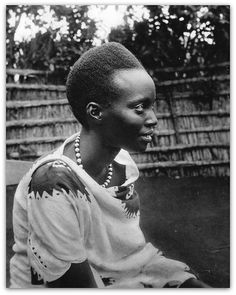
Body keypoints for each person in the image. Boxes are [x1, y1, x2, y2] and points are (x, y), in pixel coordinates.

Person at [9, 42, 210, 288]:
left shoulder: (122, 162)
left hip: (122, 277)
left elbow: (129, 255)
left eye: (152, 106)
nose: (153, 119)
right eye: (139, 108)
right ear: (95, 112)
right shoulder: (51, 186)